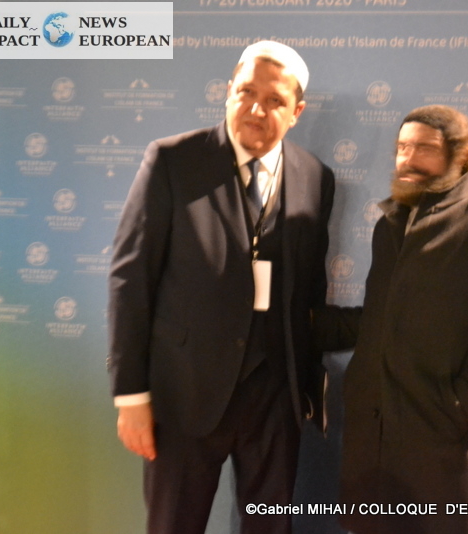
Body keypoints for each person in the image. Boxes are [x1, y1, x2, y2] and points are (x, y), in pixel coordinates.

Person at [106, 41, 335, 534]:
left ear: (296, 112)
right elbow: (130, 279)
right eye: (246, 92)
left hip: (274, 398)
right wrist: (130, 395)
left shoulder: (316, 177)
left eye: (274, 100)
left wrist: (305, 387)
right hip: (182, 395)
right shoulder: (172, 160)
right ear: (228, 91)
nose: (256, 109)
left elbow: (310, 289)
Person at [339, 105, 468, 534]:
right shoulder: (390, 223)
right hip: (369, 439)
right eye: (402, 147)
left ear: (460, 156)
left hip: (441, 444)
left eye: (424, 148)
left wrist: (458, 412)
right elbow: (378, 319)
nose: (408, 159)